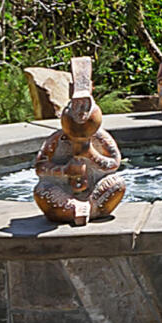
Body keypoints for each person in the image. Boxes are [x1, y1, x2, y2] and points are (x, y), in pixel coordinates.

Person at [31, 85, 130, 225]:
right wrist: (64, 170)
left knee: (117, 183)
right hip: (65, 192)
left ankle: (87, 208)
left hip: (94, 190)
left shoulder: (101, 138)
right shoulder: (57, 139)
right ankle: (75, 208)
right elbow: (40, 167)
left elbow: (114, 163)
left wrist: (91, 155)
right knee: (41, 191)